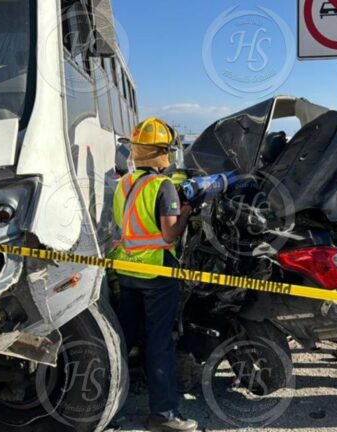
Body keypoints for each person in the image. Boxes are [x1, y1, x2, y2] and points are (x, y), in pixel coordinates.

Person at [108, 117, 197, 432]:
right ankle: (163, 415)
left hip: (127, 268)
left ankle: (104, 400)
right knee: (159, 342)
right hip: (157, 274)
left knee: (126, 337)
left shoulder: (124, 184)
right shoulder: (164, 187)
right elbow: (170, 234)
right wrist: (186, 211)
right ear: (164, 153)